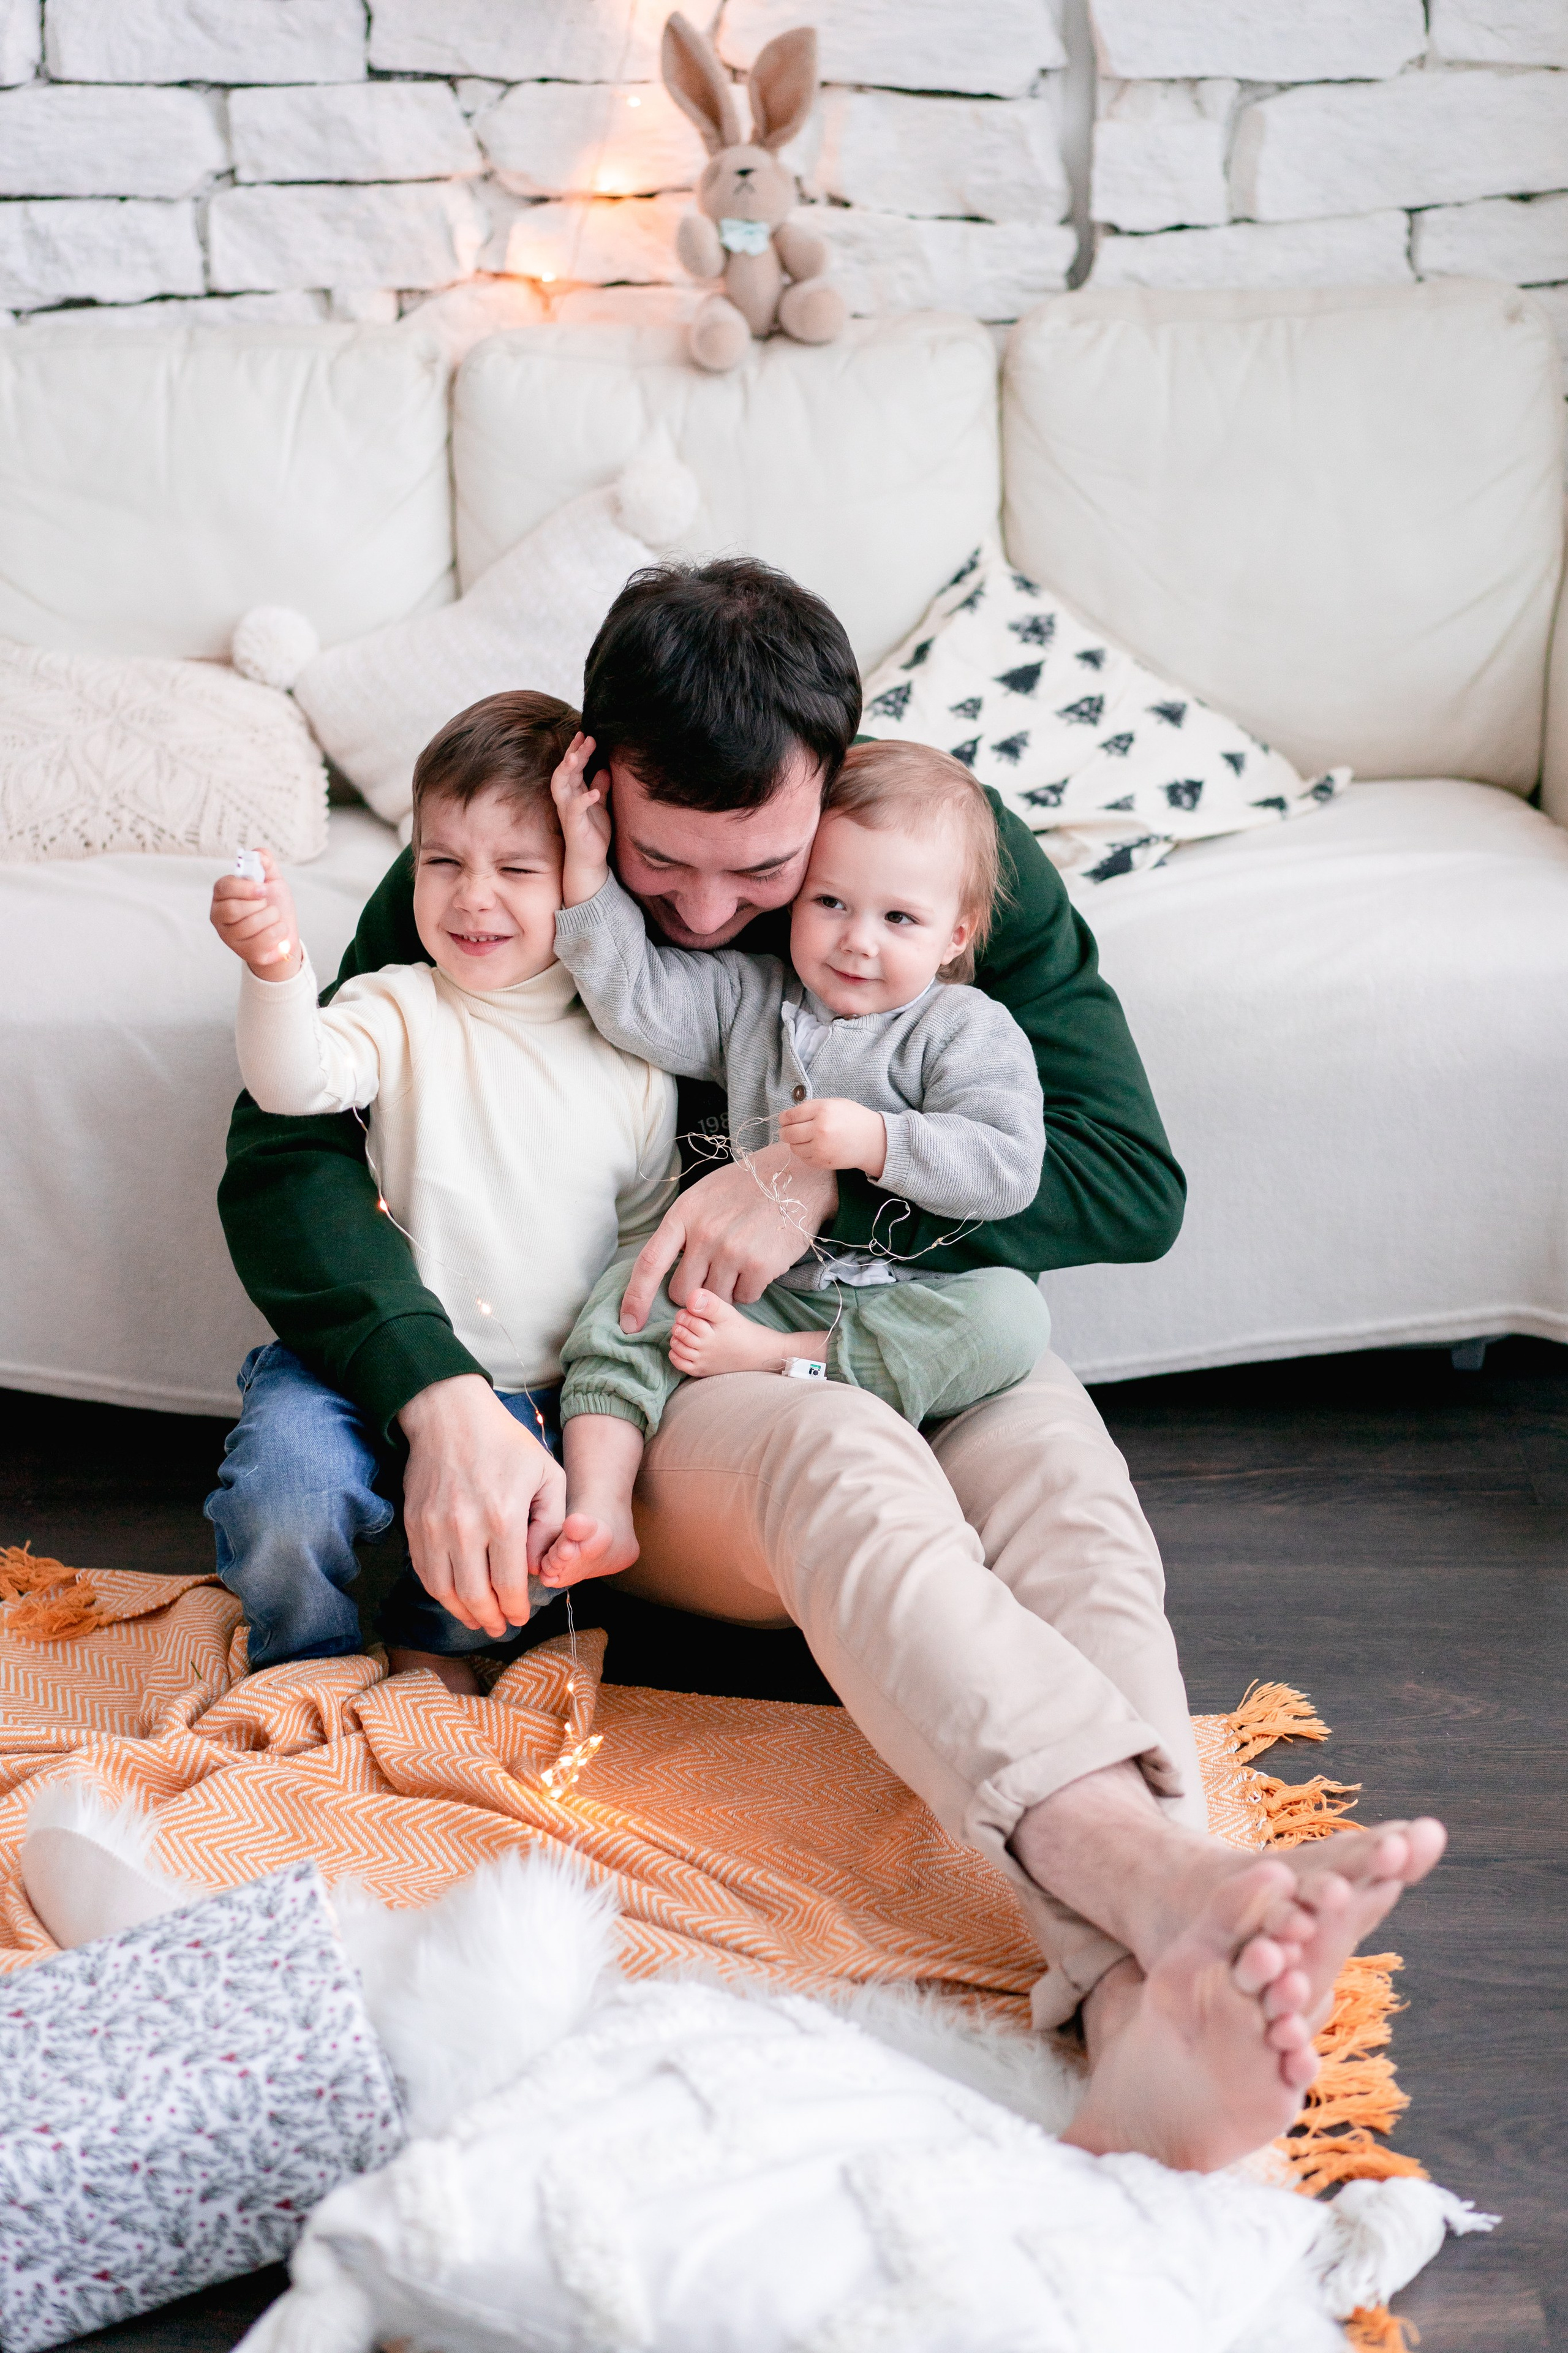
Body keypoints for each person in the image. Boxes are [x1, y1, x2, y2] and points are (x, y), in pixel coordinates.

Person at [215, 556, 1444, 2174]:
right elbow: (287, 1151)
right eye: (663, 870)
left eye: (768, 875)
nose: (719, 918)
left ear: (838, 793)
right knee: (844, 1460)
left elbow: (1126, 1176)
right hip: (671, 1372)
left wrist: (815, 1169)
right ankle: (1155, 1879)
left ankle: (1149, 2003)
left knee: (1070, 1490)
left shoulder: (919, 853)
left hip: (911, 1304)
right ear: (593, 780)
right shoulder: (502, 848)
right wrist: (439, 1390)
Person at [205, 691, 677, 1685]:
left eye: (516, 869)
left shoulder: (635, 1065)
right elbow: (293, 1084)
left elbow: (640, 1250)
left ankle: (439, 1639)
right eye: (442, 861)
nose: (472, 898)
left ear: (588, 876)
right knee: (282, 1484)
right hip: (348, 1373)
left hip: (535, 1390)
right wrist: (277, 967)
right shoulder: (399, 1000)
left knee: (544, 1533)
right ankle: (306, 1661)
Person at [541, 731, 1054, 1585]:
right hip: (763, 1287)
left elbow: (1008, 1164)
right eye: (831, 904)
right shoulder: (754, 998)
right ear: (795, 900)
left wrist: (877, 1144)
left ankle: (788, 1360)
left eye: (899, 919)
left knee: (1013, 1318)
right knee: (628, 1295)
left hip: (902, 1301)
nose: (858, 942)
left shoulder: (965, 1029)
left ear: (956, 934)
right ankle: (599, 1502)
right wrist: (587, 875)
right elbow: (637, 1004)